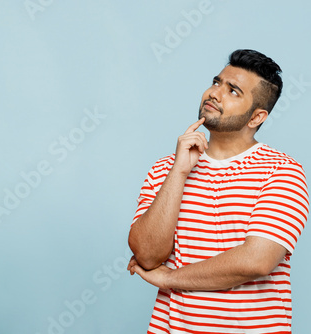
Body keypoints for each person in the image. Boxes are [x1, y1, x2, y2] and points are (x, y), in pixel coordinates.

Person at [127, 49, 308, 333]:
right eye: (216, 82)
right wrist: (179, 172)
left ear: (256, 117)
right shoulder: (165, 169)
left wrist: (169, 279)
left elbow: (256, 260)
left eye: (233, 91)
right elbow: (147, 256)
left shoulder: (282, 172)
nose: (215, 93)